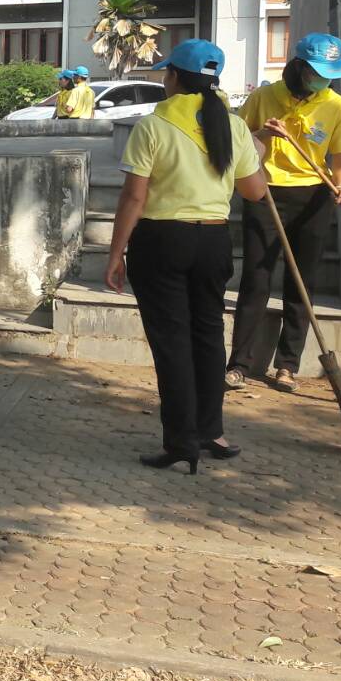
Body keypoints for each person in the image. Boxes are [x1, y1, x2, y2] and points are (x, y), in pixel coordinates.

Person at [105, 39, 267, 474]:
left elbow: (134, 197)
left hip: (162, 241)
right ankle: (211, 431)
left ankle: (181, 443)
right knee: (209, 335)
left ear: (174, 77)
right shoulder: (232, 127)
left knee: (173, 343)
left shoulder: (153, 126)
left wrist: (116, 252)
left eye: (166, 72)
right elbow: (255, 191)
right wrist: (259, 153)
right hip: (214, 241)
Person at [226, 32, 341, 393]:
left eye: (329, 73)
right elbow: (242, 146)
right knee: (257, 277)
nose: (322, 79)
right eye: (316, 72)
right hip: (265, 192)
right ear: (298, 67)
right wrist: (264, 135)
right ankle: (239, 363)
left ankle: (287, 365)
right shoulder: (264, 97)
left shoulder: (336, 105)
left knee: (301, 281)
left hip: (314, 197)